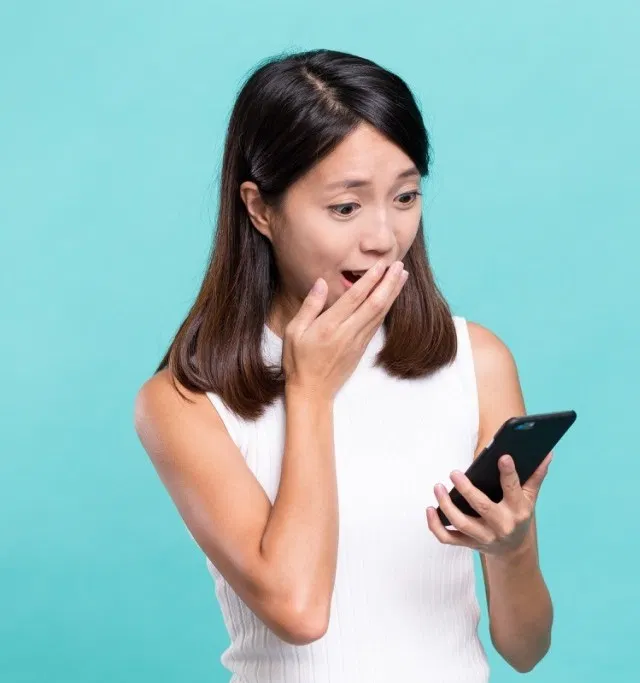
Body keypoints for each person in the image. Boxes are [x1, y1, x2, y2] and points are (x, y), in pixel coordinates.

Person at [133, 49, 555, 681]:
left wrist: (513, 545)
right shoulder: (186, 402)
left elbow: (525, 649)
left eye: (405, 196)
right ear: (260, 209)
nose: (384, 237)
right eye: (345, 207)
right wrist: (309, 392)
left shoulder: (476, 362)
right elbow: (299, 611)